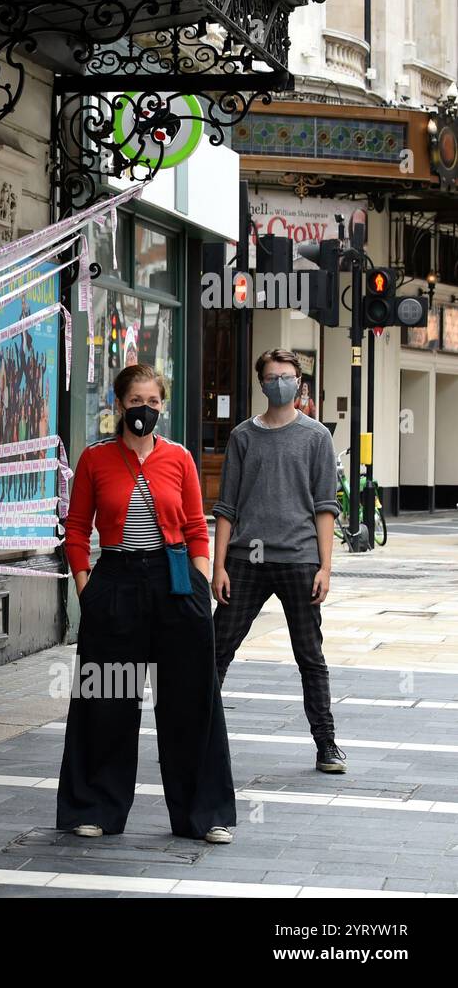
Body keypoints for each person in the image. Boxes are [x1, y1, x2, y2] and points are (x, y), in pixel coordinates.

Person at [58, 363, 236, 843]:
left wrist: (199, 585)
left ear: (163, 405)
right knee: (108, 696)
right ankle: (95, 805)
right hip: (115, 581)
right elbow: (76, 529)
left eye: (153, 402)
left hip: (175, 579)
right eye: (136, 402)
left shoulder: (178, 458)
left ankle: (205, 814)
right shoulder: (95, 459)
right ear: (119, 405)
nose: (145, 410)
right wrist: (86, 588)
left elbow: (198, 527)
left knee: (190, 700)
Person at [212, 349, 345, 773]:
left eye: (286, 376)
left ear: (299, 383)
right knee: (216, 650)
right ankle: (198, 736)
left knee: (310, 656)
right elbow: (226, 507)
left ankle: (326, 744)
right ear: (261, 382)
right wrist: (218, 567)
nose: (280, 383)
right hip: (245, 561)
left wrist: (325, 566)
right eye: (272, 376)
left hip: (300, 560)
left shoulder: (316, 436)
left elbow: (326, 506)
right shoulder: (242, 437)